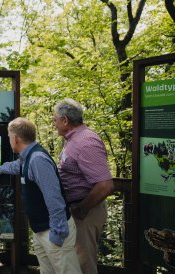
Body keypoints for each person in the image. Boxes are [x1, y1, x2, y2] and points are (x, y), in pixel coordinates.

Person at [0, 117, 81, 274]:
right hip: (41, 230)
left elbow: (54, 200)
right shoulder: (27, 157)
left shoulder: (37, 160)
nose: (9, 139)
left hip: (53, 231)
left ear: (16, 139)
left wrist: (57, 236)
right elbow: (16, 167)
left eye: (9, 136)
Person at [53, 98, 114, 274]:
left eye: (55, 119)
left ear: (65, 120)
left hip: (85, 213)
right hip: (78, 211)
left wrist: (81, 210)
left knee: (84, 265)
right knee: (75, 265)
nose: (54, 123)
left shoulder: (85, 141)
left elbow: (105, 185)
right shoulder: (73, 139)